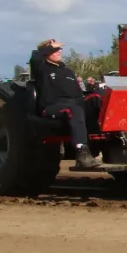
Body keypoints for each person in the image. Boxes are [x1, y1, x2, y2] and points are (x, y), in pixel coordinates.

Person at [28, 39, 101, 170]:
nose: (59, 51)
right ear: (46, 51)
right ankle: (81, 152)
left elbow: (79, 95)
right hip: (52, 107)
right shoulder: (41, 68)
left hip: (73, 104)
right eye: (55, 49)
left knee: (97, 97)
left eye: (60, 49)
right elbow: (35, 56)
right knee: (74, 109)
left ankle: (117, 141)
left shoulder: (67, 71)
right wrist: (49, 47)